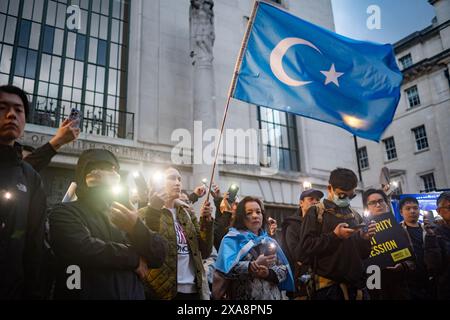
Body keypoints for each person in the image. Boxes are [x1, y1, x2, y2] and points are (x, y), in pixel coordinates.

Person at [48, 149, 168, 299]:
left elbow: (158, 255)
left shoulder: (124, 213)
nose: (112, 173)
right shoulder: (64, 212)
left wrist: (135, 227)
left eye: (114, 169)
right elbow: (82, 249)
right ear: (86, 173)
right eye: (104, 167)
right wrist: (133, 258)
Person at [298, 168, 376, 300]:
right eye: (341, 195)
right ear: (330, 188)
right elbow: (305, 248)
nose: (345, 199)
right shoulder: (316, 212)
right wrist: (335, 236)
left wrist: (364, 238)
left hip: (357, 288)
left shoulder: (354, 215)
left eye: (350, 196)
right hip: (329, 290)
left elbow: (363, 254)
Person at [0, 85, 47, 299]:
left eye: (19, 111)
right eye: (2, 108)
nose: (11, 115)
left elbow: (34, 244)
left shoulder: (31, 178)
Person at [140, 167, 214, 300]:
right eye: (172, 178)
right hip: (161, 292)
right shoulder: (145, 213)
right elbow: (147, 248)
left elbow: (205, 251)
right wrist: (154, 211)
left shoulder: (187, 213)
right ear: (157, 183)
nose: (178, 182)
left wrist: (206, 223)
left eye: (179, 179)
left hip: (192, 290)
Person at [214, 196, 294, 300]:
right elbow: (224, 271)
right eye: (249, 213)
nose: (255, 216)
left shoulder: (269, 241)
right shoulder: (232, 239)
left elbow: (284, 269)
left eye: (258, 212)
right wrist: (251, 266)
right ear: (241, 217)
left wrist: (269, 273)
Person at [362, 189, 413, 300]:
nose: (378, 205)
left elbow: (412, 258)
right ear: (366, 208)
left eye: (381, 201)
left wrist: (404, 265)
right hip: (375, 286)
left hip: (401, 284)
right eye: (372, 203)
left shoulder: (400, 228)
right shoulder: (362, 232)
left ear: (386, 204)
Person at [281, 188, 324, 299]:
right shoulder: (292, 226)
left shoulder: (323, 223)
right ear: (301, 203)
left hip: (324, 282)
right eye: (311, 199)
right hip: (302, 285)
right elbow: (299, 256)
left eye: (318, 200)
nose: (315, 202)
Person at [399, 196, 434, 299]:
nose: (412, 211)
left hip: (431, 278)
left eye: (415, 208)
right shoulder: (397, 232)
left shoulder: (429, 229)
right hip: (410, 281)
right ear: (401, 212)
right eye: (408, 208)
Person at [424, 191, 450, 300]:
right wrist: (431, 237)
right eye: (449, 207)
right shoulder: (434, 235)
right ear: (439, 211)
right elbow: (434, 267)